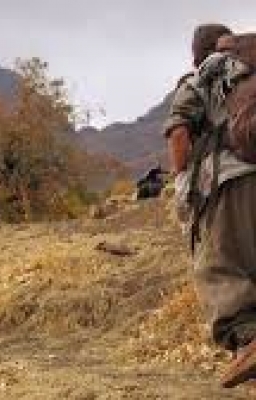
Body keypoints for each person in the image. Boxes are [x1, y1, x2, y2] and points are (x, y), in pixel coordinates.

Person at [164, 24, 256, 388]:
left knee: (218, 266)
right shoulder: (248, 76)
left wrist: (182, 178)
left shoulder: (202, 78)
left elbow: (179, 133)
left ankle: (248, 339)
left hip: (231, 184)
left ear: (196, 54)